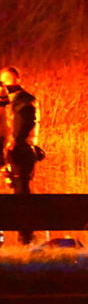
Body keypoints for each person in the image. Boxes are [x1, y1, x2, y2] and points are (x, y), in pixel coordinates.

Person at [0, 67, 41, 245]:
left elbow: (24, 121)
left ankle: (25, 236)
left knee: (22, 192)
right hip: (14, 151)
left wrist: (15, 141)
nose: (3, 85)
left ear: (16, 80)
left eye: (6, 80)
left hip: (21, 152)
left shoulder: (24, 100)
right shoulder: (10, 102)